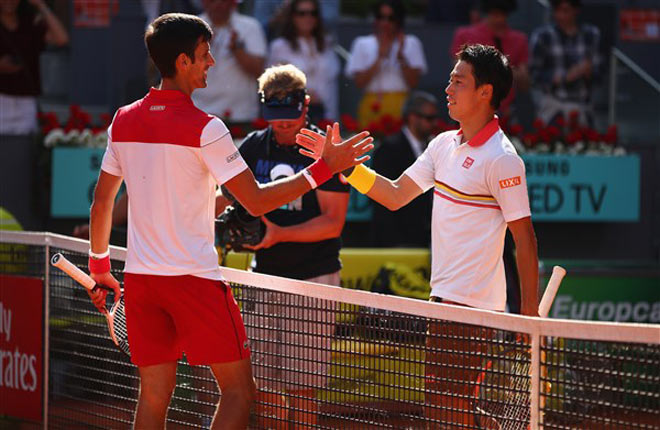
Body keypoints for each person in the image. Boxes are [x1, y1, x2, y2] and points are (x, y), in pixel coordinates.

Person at [86, 13, 373, 429]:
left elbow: (102, 204)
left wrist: (99, 268)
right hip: (195, 282)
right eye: (205, 55)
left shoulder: (123, 120)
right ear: (183, 61)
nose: (212, 63)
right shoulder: (208, 129)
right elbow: (255, 201)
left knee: (152, 396)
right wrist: (323, 170)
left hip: (142, 281)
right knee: (239, 392)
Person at [298, 44, 539, 429]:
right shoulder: (442, 145)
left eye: (458, 81)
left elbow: (524, 239)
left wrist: (529, 316)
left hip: (474, 308)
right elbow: (394, 195)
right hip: (441, 300)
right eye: (450, 79)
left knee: (444, 412)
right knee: (448, 409)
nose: (448, 88)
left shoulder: (503, 158)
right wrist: (347, 168)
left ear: (485, 92)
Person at [217, 63, 348, 430]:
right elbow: (226, 197)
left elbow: (332, 222)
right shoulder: (254, 145)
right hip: (263, 279)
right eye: (277, 120)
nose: (284, 126)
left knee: (303, 389)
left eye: (290, 118)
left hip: (313, 279)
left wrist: (277, 234)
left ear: (306, 106)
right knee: (266, 388)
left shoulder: (327, 150)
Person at [371, 91, 438, 247]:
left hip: (431, 241)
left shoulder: (435, 147)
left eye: (435, 118)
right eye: (429, 118)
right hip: (397, 243)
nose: (434, 123)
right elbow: (382, 202)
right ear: (412, 117)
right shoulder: (388, 149)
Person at [345, 0, 427, 127]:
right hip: (372, 103)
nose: (385, 23)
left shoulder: (411, 42)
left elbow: (414, 83)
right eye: (381, 17)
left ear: (399, 20)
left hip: (402, 104)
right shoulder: (361, 43)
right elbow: (359, 83)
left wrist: (401, 58)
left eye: (391, 18)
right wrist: (380, 57)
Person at [450, 0, 529, 121]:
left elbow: (524, 83)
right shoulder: (465, 35)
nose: (498, 19)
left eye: (502, 14)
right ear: (487, 13)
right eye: (494, 14)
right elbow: (459, 74)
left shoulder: (519, 39)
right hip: (469, 108)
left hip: (506, 110)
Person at [0, 0, 68, 135]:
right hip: (1, 96)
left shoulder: (30, 23)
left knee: (23, 149)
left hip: (26, 98)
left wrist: (41, 5)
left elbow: (61, 39)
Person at [192, 0, 267, 122]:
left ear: (233, 3)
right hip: (198, 111)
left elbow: (259, 70)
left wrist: (237, 50)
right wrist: (202, 49)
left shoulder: (250, 26)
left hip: (240, 114)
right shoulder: (191, 26)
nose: (217, 4)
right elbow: (181, 69)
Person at [529, 0, 601, 126]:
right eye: (558, 11)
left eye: (566, 10)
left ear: (576, 10)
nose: (562, 16)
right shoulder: (543, 36)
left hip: (582, 104)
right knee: (550, 144)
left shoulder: (591, 35)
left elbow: (600, 72)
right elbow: (534, 74)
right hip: (554, 103)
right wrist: (561, 77)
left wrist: (588, 71)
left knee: (584, 144)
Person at [268, 0, 340, 122]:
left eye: (313, 13)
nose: (308, 17)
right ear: (292, 16)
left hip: (327, 115)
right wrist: (302, 94)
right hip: (294, 115)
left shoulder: (327, 43)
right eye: (302, 13)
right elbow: (273, 86)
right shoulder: (280, 46)